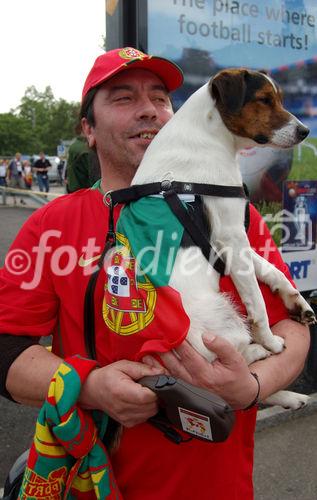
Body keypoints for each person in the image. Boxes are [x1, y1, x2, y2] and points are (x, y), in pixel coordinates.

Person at [0, 47, 310, 499]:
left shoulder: (233, 213)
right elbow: (6, 351)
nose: (149, 109)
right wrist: (88, 386)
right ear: (88, 129)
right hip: (95, 483)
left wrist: (255, 385)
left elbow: (293, 325)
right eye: (123, 98)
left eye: (161, 98)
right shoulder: (51, 225)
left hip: (220, 487)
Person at [66, 126, 100, 193]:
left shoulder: (74, 145)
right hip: (85, 192)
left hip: (73, 190)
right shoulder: (85, 149)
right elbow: (94, 176)